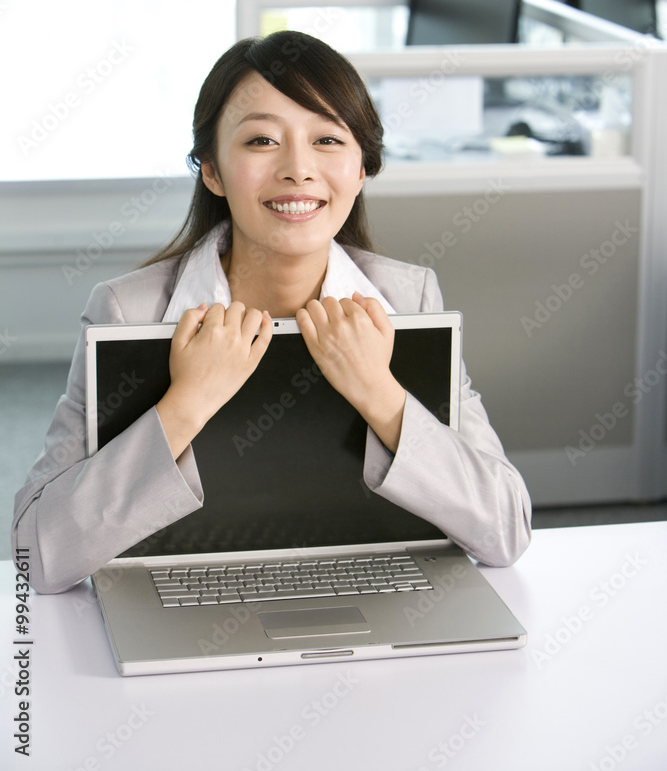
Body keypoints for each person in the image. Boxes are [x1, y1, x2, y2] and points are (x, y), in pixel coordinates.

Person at [13, 31, 531, 594]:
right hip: (184, 604)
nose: (298, 169)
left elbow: (505, 532)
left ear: (361, 170)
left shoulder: (410, 302)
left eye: (328, 139)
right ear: (211, 169)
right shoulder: (128, 311)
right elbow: (34, 554)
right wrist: (186, 403)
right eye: (261, 140)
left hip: (369, 611)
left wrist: (380, 393)